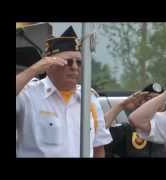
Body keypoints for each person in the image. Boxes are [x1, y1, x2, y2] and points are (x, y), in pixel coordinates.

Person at [16, 26, 112, 157]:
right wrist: (35, 69)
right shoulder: (28, 94)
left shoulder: (89, 99)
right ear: (48, 64)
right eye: (67, 61)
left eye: (79, 62)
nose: (74, 67)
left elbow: (98, 148)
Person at [104, 83, 166, 157]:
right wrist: (122, 105)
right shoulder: (127, 130)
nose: (153, 104)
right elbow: (98, 133)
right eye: (148, 99)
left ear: (164, 106)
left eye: (158, 100)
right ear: (139, 103)